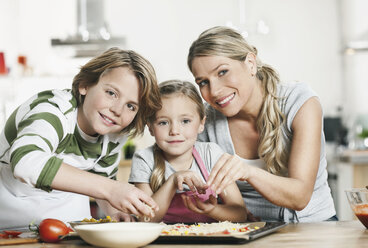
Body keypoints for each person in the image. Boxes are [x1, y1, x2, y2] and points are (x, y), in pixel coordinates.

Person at [187, 26, 337, 222]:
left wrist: (247, 172)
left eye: (222, 72)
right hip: (249, 232)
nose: (214, 91)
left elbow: (300, 196)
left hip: (314, 228)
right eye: (203, 82)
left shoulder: (300, 102)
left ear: (250, 63)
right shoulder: (207, 122)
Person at [0, 47, 161, 229]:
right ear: (84, 84)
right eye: (111, 93)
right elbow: (26, 163)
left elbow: (100, 180)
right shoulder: (53, 110)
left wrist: (115, 212)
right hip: (11, 223)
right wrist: (111, 189)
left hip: (70, 225)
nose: (117, 110)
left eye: (131, 106)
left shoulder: (114, 131)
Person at [129, 80, 247, 223]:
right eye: (163, 122)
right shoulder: (144, 159)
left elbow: (240, 214)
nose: (174, 131)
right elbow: (145, 219)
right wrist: (173, 181)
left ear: (201, 124)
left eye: (185, 121)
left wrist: (212, 210)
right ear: (150, 128)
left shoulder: (211, 154)